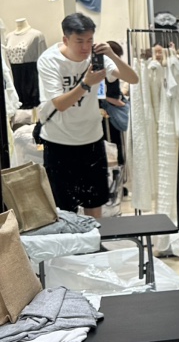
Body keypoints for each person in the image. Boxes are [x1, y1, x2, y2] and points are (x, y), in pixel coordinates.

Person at [37, 13, 139, 218]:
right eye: (79, 41)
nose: (86, 47)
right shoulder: (49, 61)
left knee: (95, 201)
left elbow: (133, 78)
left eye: (90, 40)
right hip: (58, 141)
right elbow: (60, 104)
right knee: (65, 208)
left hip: (92, 140)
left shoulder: (97, 57)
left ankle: (95, 237)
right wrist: (86, 84)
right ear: (66, 39)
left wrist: (112, 55)